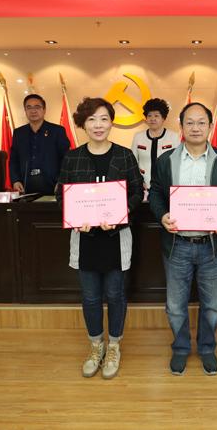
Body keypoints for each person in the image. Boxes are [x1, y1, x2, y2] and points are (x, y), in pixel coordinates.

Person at [55, 97, 144, 380]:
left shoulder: (124, 156)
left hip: (115, 239)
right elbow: (61, 194)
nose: (98, 125)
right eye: (92, 119)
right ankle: (96, 346)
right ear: (83, 124)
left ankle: (114, 346)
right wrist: (74, 217)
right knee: (91, 297)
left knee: (116, 295)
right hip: (85, 240)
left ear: (111, 123)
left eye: (104, 118)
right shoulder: (72, 157)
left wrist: (120, 213)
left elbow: (137, 192)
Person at [148, 102, 217, 376]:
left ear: (210, 126)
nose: (195, 128)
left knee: (212, 307)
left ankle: (207, 348)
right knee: (175, 306)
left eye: (201, 122)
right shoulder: (166, 160)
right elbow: (156, 193)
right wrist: (162, 215)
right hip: (178, 245)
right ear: (181, 126)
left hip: (212, 246)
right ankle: (181, 348)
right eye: (190, 122)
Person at [9, 93, 71, 195]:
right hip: (25, 187)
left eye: (37, 107)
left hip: (53, 186)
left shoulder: (57, 131)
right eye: (29, 107)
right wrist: (15, 180)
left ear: (44, 110)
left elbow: (66, 159)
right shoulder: (19, 133)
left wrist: (61, 182)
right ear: (25, 110)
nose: (33, 111)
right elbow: (14, 160)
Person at [130, 98, 180, 195]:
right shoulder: (138, 137)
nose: (152, 119)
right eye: (149, 115)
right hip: (143, 187)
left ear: (163, 118)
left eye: (156, 115)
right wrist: (139, 181)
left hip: (166, 187)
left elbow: (177, 163)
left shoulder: (173, 137)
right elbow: (133, 163)